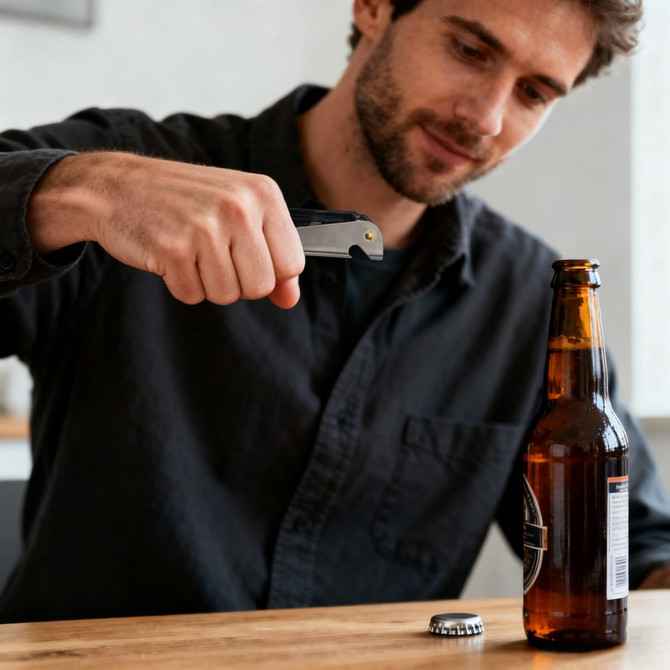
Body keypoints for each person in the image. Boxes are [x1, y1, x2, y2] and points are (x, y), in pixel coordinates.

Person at [0, 0, 668, 624]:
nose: (488, 117)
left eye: (534, 93)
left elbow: (634, 545)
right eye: (469, 49)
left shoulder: (529, 304)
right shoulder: (127, 183)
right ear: (373, 5)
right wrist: (81, 192)